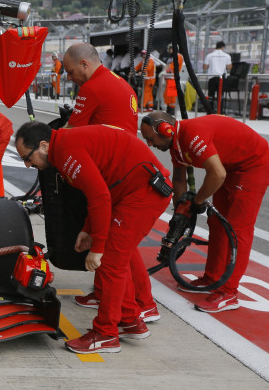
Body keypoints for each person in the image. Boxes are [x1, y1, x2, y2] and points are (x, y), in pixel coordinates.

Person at [16, 122, 171, 354]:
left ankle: (106, 334)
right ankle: (129, 320)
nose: (28, 165)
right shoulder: (63, 147)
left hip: (143, 192)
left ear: (43, 145)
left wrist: (97, 247)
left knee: (110, 261)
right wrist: (88, 230)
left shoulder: (67, 152)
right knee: (116, 259)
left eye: (28, 158)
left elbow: (100, 196)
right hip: (128, 190)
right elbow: (98, 190)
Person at [63, 43, 159, 322]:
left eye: (70, 72)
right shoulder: (120, 83)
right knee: (120, 242)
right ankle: (107, 292)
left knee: (118, 245)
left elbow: (71, 133)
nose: (70, 78)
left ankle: (143, 302)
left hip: (115, 175)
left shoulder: (92, 89)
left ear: (84, 64)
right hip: (127, 166)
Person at [141, 112, 269, 313]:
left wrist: (198, 201)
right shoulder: (176, 146)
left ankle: (229, 292)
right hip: (229, 165)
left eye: (150, 138)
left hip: (252, 165)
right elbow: (179, 180)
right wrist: (181, 213)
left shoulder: (192, 135)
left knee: (237, 227)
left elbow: (217, 174)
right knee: (217, 223)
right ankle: (212, 277)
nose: (149, 144)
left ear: (165, 130)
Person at [63, 43, 138, 132]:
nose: (68, 78)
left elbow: (70, 131)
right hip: (128, 142)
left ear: (84, 64)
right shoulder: (120, 81)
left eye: (71, 72)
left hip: (109, 144)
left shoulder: (90, 87)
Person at [163, 45, 184, 116]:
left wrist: (168, 70)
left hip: (173, 78)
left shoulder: (178, 56)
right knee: (167, 95)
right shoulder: (172, 57)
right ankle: (169, 108)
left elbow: (174, 65)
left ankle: (171, 110)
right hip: (169, 77)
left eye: (171, 49)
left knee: (171, 95)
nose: (169, 51)